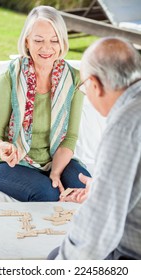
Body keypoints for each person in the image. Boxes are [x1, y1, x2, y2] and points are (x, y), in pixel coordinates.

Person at [0, 5, 91, 202]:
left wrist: (55, 173)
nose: (47, 48)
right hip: (5, 163)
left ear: (62, 42)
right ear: (27, 42)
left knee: (87, 189)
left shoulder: (74, 80)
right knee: (48, 194)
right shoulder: (8, 79)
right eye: (38, 40)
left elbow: (70, 138)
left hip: (51, 161)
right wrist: (3, 148)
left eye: (54, 40)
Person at [48, 37, 141, 259]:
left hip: (132, 255)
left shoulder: (125, 124)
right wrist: (101, 184)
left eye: (83, 86)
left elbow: (98, 226)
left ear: (96, 85)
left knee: (55, 258)